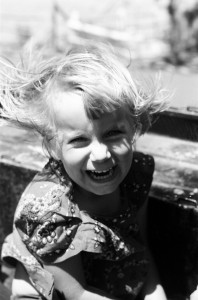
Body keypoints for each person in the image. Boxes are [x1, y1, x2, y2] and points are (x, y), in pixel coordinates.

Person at [0, 42, 168, 300]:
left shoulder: (133, 176)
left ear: (134, 128)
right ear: (54, 147)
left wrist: (156, 294)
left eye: (113, 133)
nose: (101, 154)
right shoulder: (48, 214)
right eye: (79, 140)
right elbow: (76, 295)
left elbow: (141, 244)